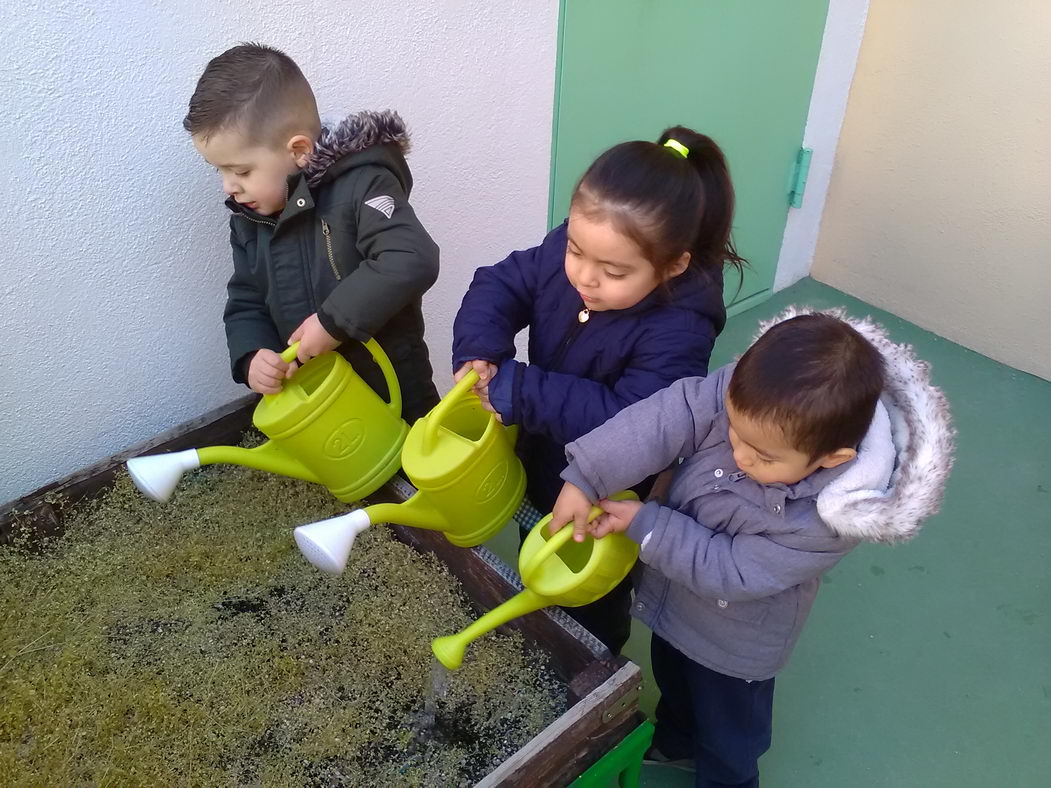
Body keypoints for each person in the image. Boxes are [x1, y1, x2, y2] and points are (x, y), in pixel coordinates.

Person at [549, 309, 955, 787]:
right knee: (674, 680)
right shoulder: (751, 401)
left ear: (831, 459)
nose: (739, 453)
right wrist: (588, 474)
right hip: (674, 598)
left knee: (729, 733)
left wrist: (649, 525)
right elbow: (665, 418)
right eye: (735, 434)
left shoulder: (826, 521)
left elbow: (735, 571)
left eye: (762, 456)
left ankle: (729, 780)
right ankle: (676, 740)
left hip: (736, 645)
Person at [452, 126, 745, 652]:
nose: (584, 278)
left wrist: (521, 391)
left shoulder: (681, 325)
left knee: (587, 588)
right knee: (538, 539)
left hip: (612, 485)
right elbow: (500, 283)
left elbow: (635, 421)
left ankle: (595, 656)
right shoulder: (570, 259)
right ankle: (540, 623)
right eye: (575, 250)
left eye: (612, 271)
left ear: (672, 265)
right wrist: (480, 350)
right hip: (545, 449)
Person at [185, 43, 440, 420]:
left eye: (241, 171)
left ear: (299, 150)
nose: (229, 186)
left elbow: (410, 257)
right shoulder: (248, 218)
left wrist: (332, 322)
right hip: (316, 403)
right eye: (218, 171)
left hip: (395, 393)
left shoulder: (362, 184)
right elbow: (247, 297)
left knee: (411, 476)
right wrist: (252, 354)